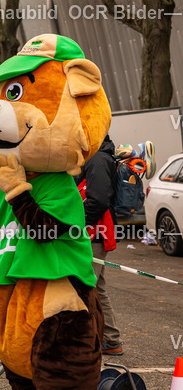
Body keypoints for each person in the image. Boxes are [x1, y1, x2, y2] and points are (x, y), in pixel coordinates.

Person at [77, 135, 122, 356]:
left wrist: (79, 225)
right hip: (96, 232)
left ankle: (89, 340)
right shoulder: (99, 158)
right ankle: (111, 339)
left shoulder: (96, 159)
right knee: (97, 288)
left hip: (94, 234)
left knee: (86, 288)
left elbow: (98, 199)